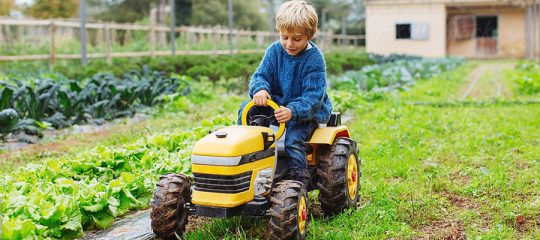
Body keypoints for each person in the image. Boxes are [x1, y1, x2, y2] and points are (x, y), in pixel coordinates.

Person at [237, 0, 332, 187]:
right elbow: (261, 75)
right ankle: (246, 160)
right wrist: (261, 89)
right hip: (277, 105)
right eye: (284, 37)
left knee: (293, 140)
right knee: (245, 110)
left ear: (310, 36)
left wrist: (293, 111)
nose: (289, 44)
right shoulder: (274, 51)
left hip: (304, 111)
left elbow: (313, 97)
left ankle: (299, 180)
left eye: (297, 39)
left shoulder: (314, 59)